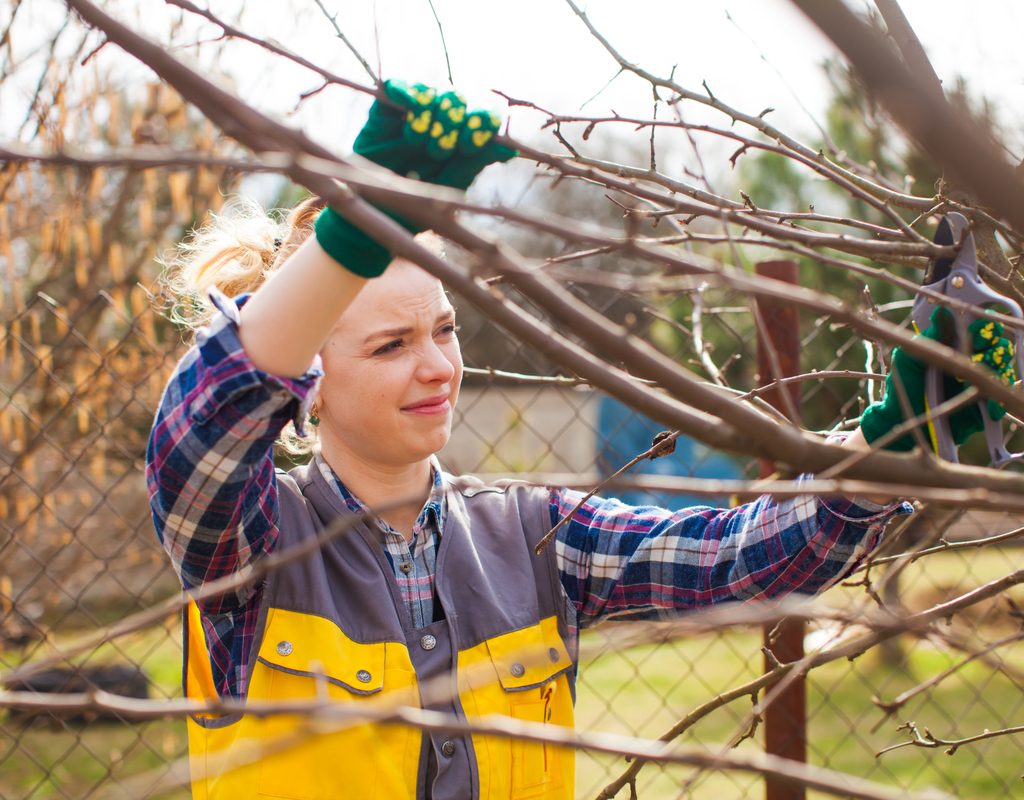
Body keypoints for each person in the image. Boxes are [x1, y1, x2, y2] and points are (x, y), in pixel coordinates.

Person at [146, 80, 1014, 800]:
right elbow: (202, 431)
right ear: (310, 383)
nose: (437, 367)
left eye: (444, 331)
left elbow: (730, 557)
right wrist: (353, 221)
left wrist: (889, 443)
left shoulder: (535, 538)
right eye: (390, 345)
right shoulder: (250, 556)